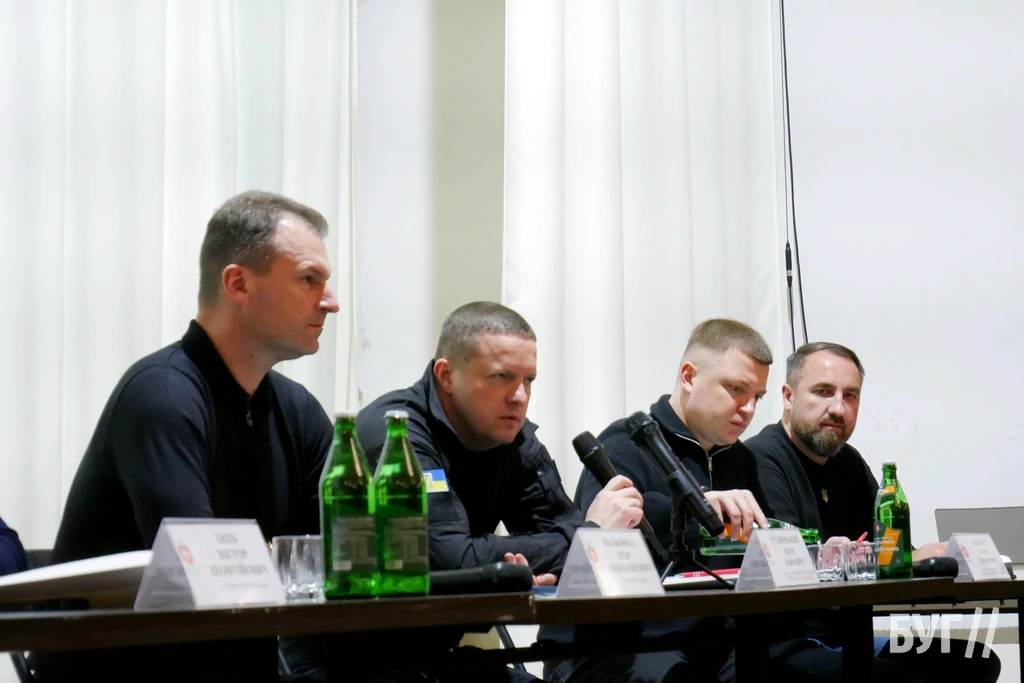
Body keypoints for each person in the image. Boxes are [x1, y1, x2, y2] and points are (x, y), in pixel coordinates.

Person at [30, 190, 341, 682]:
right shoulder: (161, 395)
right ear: (238, 284)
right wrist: (285, 562)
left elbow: (342, 558)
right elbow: (207, 572)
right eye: (309, 279)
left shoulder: (297, 411)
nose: (331, 301)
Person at [541, 320, 924, 683]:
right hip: (622, 642)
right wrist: (700, 507)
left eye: (756, 396)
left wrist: (818, 554)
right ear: (689, 377)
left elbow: (765, 552)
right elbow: (608, 541)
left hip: (712, 642)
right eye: (736, 390)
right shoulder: (625, 444)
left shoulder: (739, 460)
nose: (748, 409)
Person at [347, 301, 645, 683]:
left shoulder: (510, 436)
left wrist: (525, 565)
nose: (519, 396)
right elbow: (450, 561)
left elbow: (565, 544)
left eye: (529, 380)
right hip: (352, 662)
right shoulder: (395, 435)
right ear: (446, 375)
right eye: (501, 377)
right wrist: (590, 534)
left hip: (437, 657)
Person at [746, 341, 1000, 683]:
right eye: (823, 392)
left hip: (850, 638)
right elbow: (793, 563)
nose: (838, 408)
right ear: (788, 397)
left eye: (850, 395)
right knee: (897, 679)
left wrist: (923, 556)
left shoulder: (848, 462)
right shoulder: (760, 459)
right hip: (786, 642)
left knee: (977, 661)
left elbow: (888, 545)